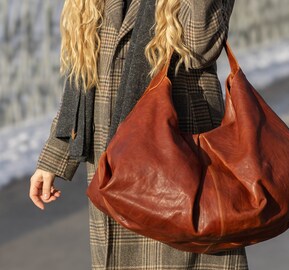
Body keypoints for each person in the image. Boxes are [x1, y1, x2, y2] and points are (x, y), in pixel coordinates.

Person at [29, 0, 250, 269]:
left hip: (180, 169)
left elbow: (200, 48)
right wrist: (55, 155)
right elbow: (85, 71)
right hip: (113, 167)